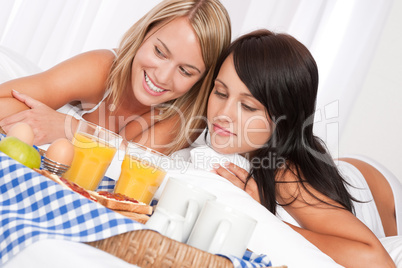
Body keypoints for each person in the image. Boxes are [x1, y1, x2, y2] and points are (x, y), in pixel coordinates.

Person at [201, 29, 400, 267]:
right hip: (342, 172)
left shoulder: (285, 176)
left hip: (379, 195)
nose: (222, 114)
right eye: (220, 92)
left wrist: (264, 216)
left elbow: (376, 260)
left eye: (248, 106)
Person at [0, 0, 231, 155]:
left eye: (185, 71)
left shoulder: (185, 116)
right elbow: (4, 101)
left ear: (202, 80)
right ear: (144, 34)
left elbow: (127, 161)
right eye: (159, 52)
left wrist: (71, 128)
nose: (162, 76)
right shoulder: (103, 68)